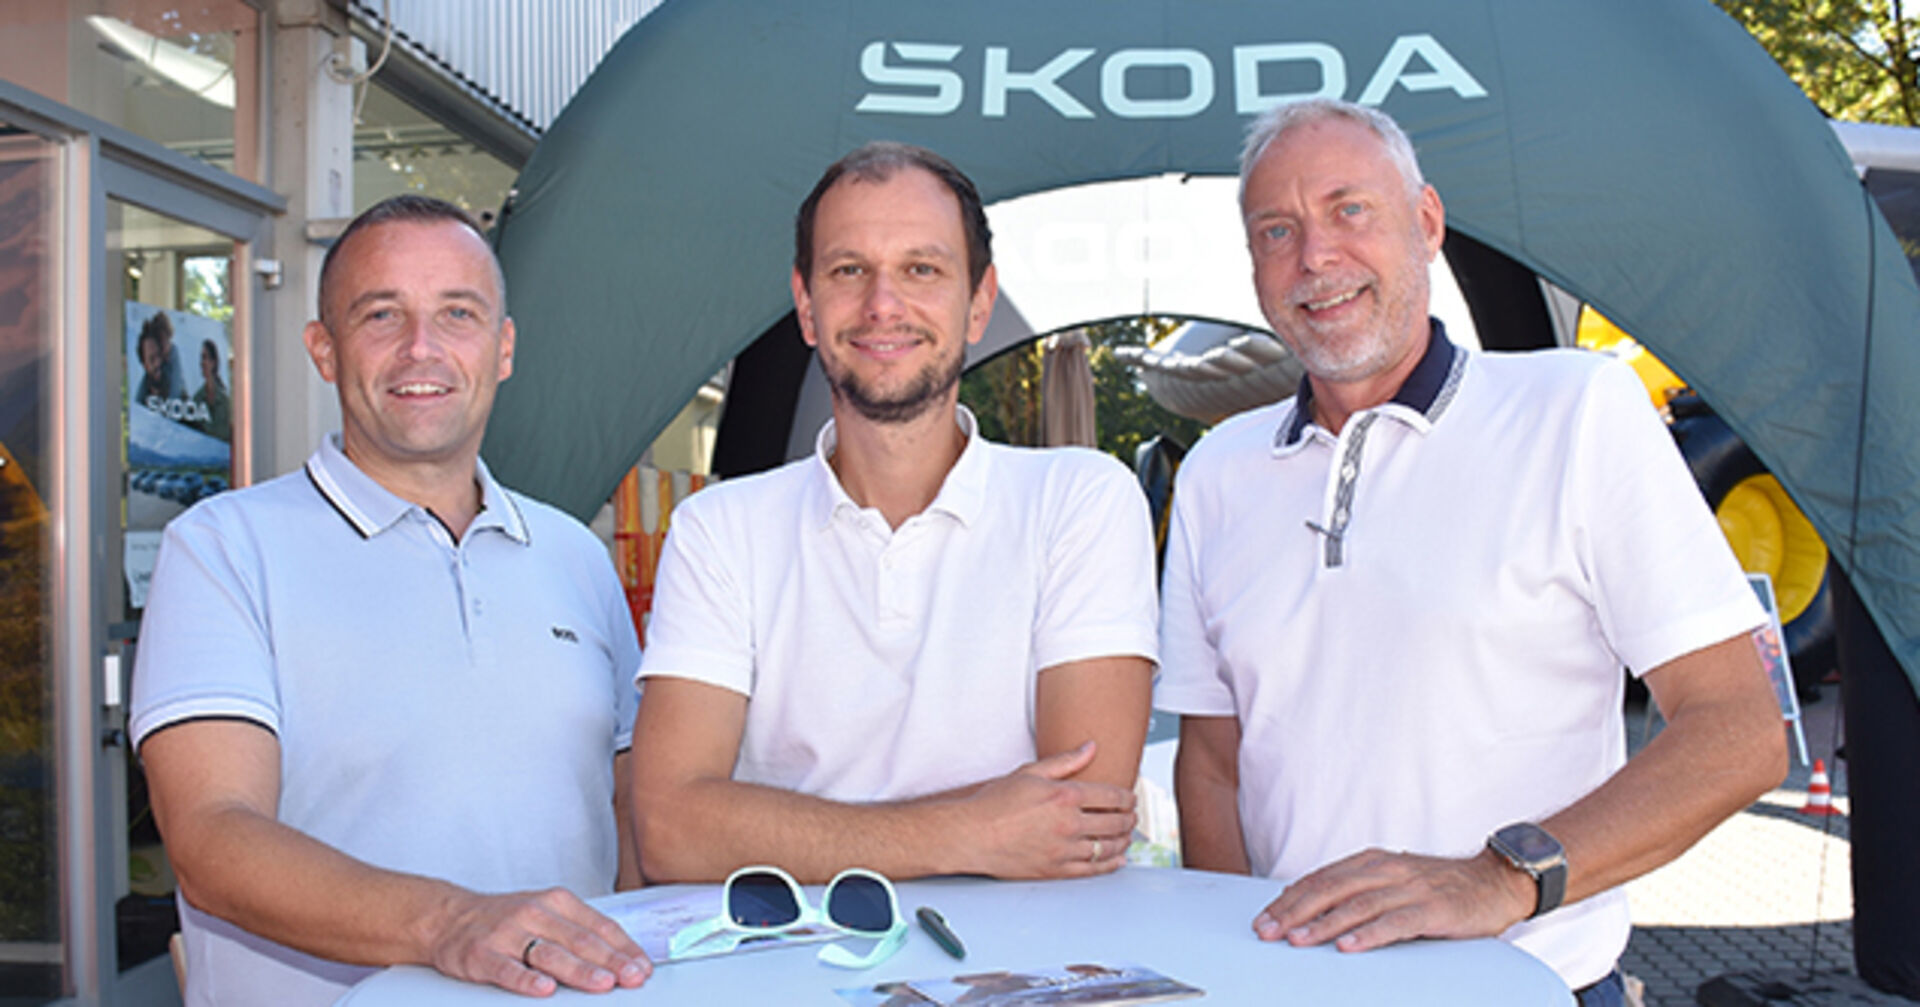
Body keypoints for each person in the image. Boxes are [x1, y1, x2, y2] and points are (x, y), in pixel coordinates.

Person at [1156, 99, 1787, 1003]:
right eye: (1276, 229)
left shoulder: (1577, 412)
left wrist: (1502, 877)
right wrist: (1245, 968)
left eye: (1350, 209)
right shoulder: (1219, 470)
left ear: (1426, 223)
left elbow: (1740, 732)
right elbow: (1212, 763)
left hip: (1527, 986)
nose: (1316, 255)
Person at [129, 195, 651, 1005]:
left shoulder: (574, 555)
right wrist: (451, 922)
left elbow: (628, 806)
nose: (422, 348)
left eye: (458, 313)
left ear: (503, 347)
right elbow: (211, 835)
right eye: (381, 315)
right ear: (324, 349)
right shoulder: (225, 547)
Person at [630, 142, 1159, 884]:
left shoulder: (1080, 499)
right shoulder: (719, 529)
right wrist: (974, 830)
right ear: (806, 305)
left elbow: (1082, 820)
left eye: (922, 269)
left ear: (979, 302)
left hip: (1023, 979)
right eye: (849, 270)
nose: (883, 304)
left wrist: (780, 828)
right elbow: (670, 830)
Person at [134, 309, 187, 408]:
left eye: (159, 355)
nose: (158, 362)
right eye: (152, 359)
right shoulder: (148, 381)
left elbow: (177, 386)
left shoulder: (173, 355)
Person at [191, 338, 231, 441]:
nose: (202, 363)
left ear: (213, 362)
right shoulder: (197, 400)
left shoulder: (226, 401)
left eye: (205, 358)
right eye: (201, 358)